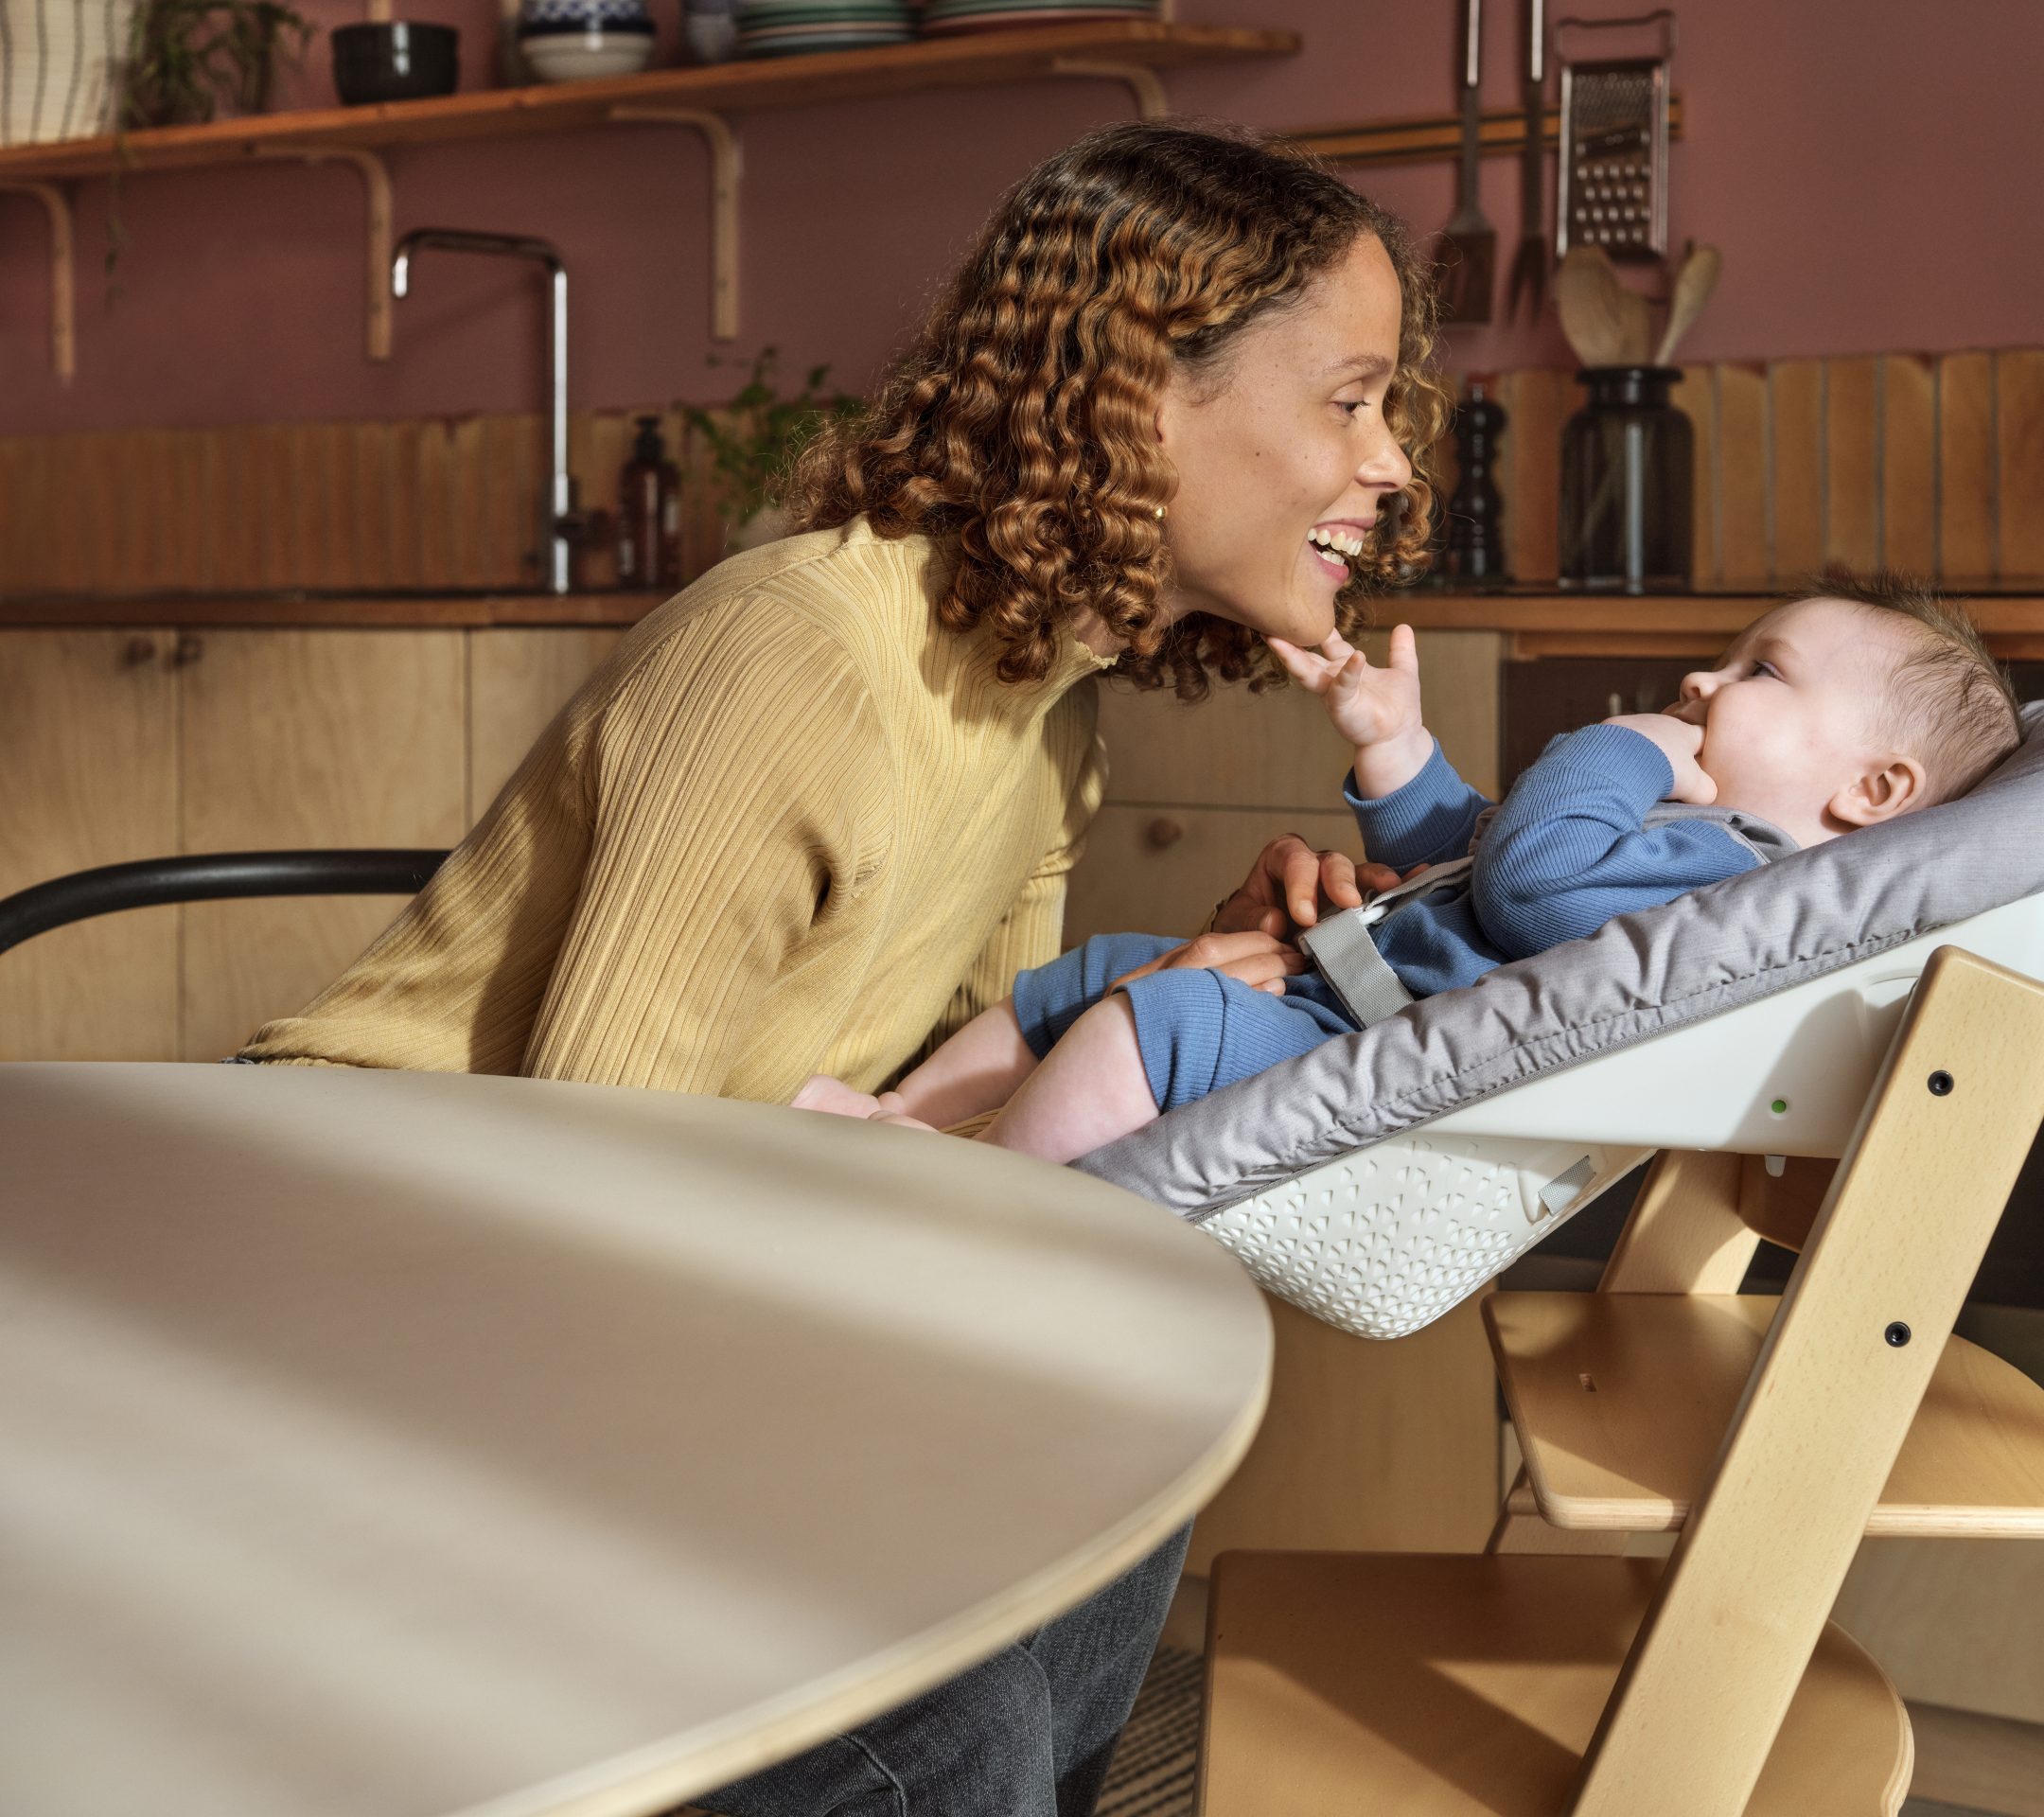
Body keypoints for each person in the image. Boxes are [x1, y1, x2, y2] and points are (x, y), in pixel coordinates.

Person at [235, 119, 1453, 1817]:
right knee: (948, 1738)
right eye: (1352, 397)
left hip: (628, 1287)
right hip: (359, 1304)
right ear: (1146, 388)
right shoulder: (795, 653)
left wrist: (1183, 982)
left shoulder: (1046, 718)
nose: (1391, 461)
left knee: (1119, 1491)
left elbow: (947, 1149)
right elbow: (580, 1192)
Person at [794, 580, 2024, 1163]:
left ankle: (972, 1179)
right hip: (1346, 997)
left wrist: (1612, 748)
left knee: (1148, 1018)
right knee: (1104, 969)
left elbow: (1528, 887)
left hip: (1366, 1054)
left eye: (1761, 673)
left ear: (1869, 794)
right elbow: (1482, 857)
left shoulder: (1727, 878)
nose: (1700, 683)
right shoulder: (1673, 848)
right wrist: (1399, 750)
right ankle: (906, 1117)